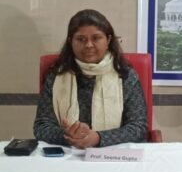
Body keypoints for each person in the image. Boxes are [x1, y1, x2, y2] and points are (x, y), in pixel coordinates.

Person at [34, 9, 148, 147]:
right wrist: (69, 135)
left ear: (108, 40)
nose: (88, 45)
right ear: (71, 41)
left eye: (96, 38)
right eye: (81, 39)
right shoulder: (56, 76)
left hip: (114, 154)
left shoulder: (125, 75)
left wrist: (98, 138)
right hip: (67, 152)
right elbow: (42, 126)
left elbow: (138, 127)